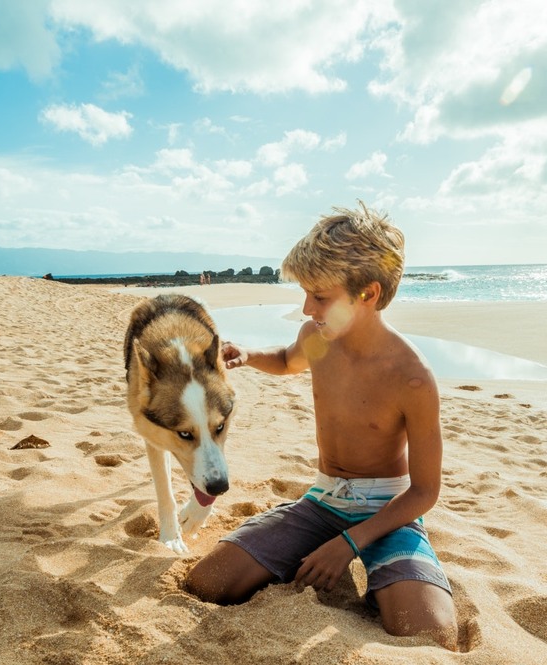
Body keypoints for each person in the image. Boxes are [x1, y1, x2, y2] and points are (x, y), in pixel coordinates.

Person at [184, 202, 458, 649]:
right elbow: (289, 361)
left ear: (367, 294)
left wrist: (349, 543)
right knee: (208, 584)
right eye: (306, 294)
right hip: (323, 500)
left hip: (386, 513)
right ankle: (299, 550)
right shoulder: (316, 338)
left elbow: (425, 492)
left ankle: (385, 572)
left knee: (429, 632)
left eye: (320, 296)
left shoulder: (411, 376)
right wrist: (250, 355)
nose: (307, 307)